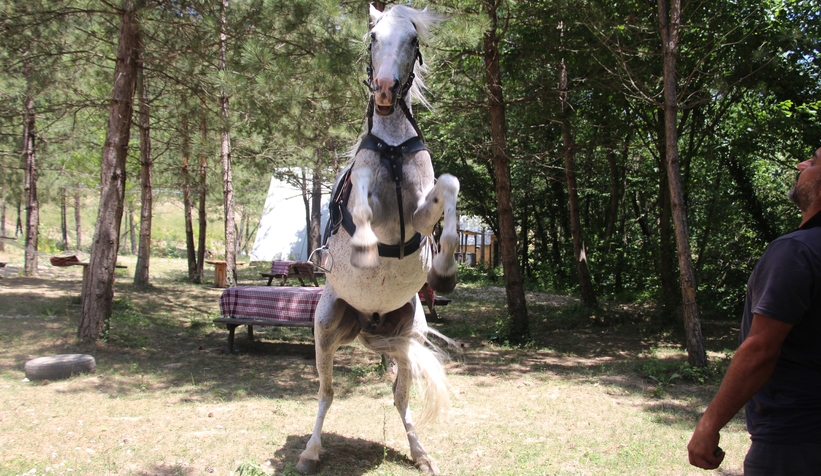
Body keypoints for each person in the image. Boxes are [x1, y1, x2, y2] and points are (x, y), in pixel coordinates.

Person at [688, 146, 821, 474]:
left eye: (815, 161)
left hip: (793, 442)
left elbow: (760, 350)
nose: (800, 163)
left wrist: (709, 424)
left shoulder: (796, 252)